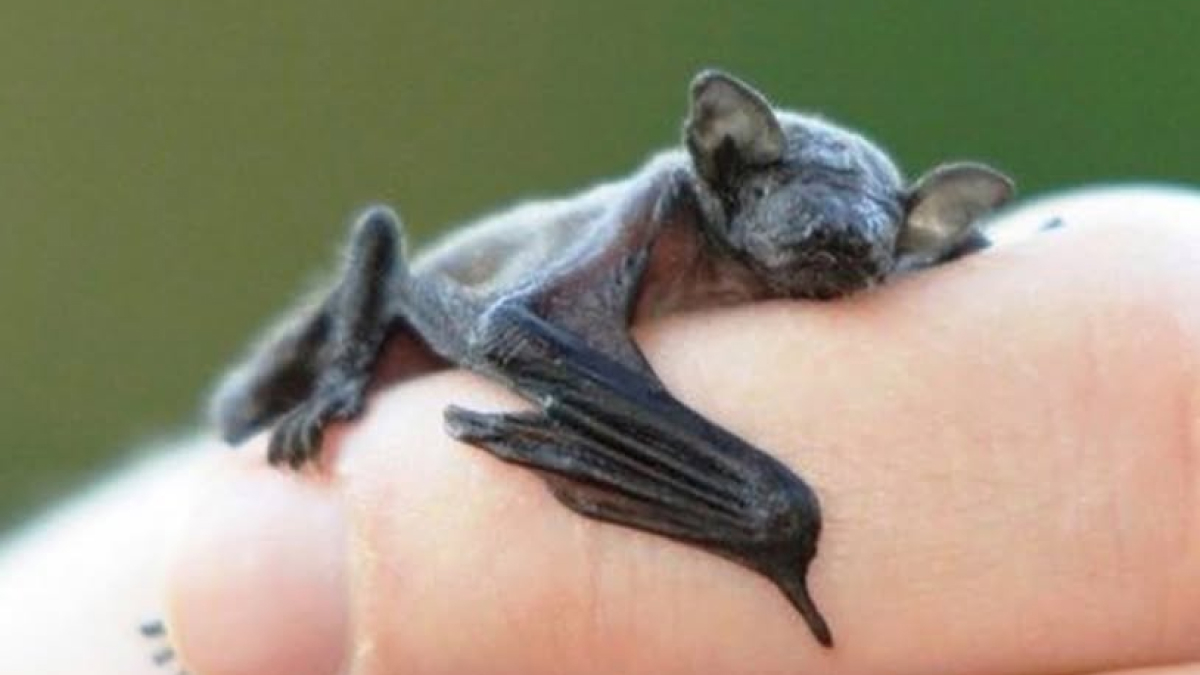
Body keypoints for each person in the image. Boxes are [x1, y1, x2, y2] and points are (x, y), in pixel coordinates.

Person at [2, 188, 1198, 675]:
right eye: (809, 238)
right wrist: (348, 385)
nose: (834, 262)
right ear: (728, 176)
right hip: (391, 347)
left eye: (868, 250)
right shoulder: (649, 238)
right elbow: (457, 300)